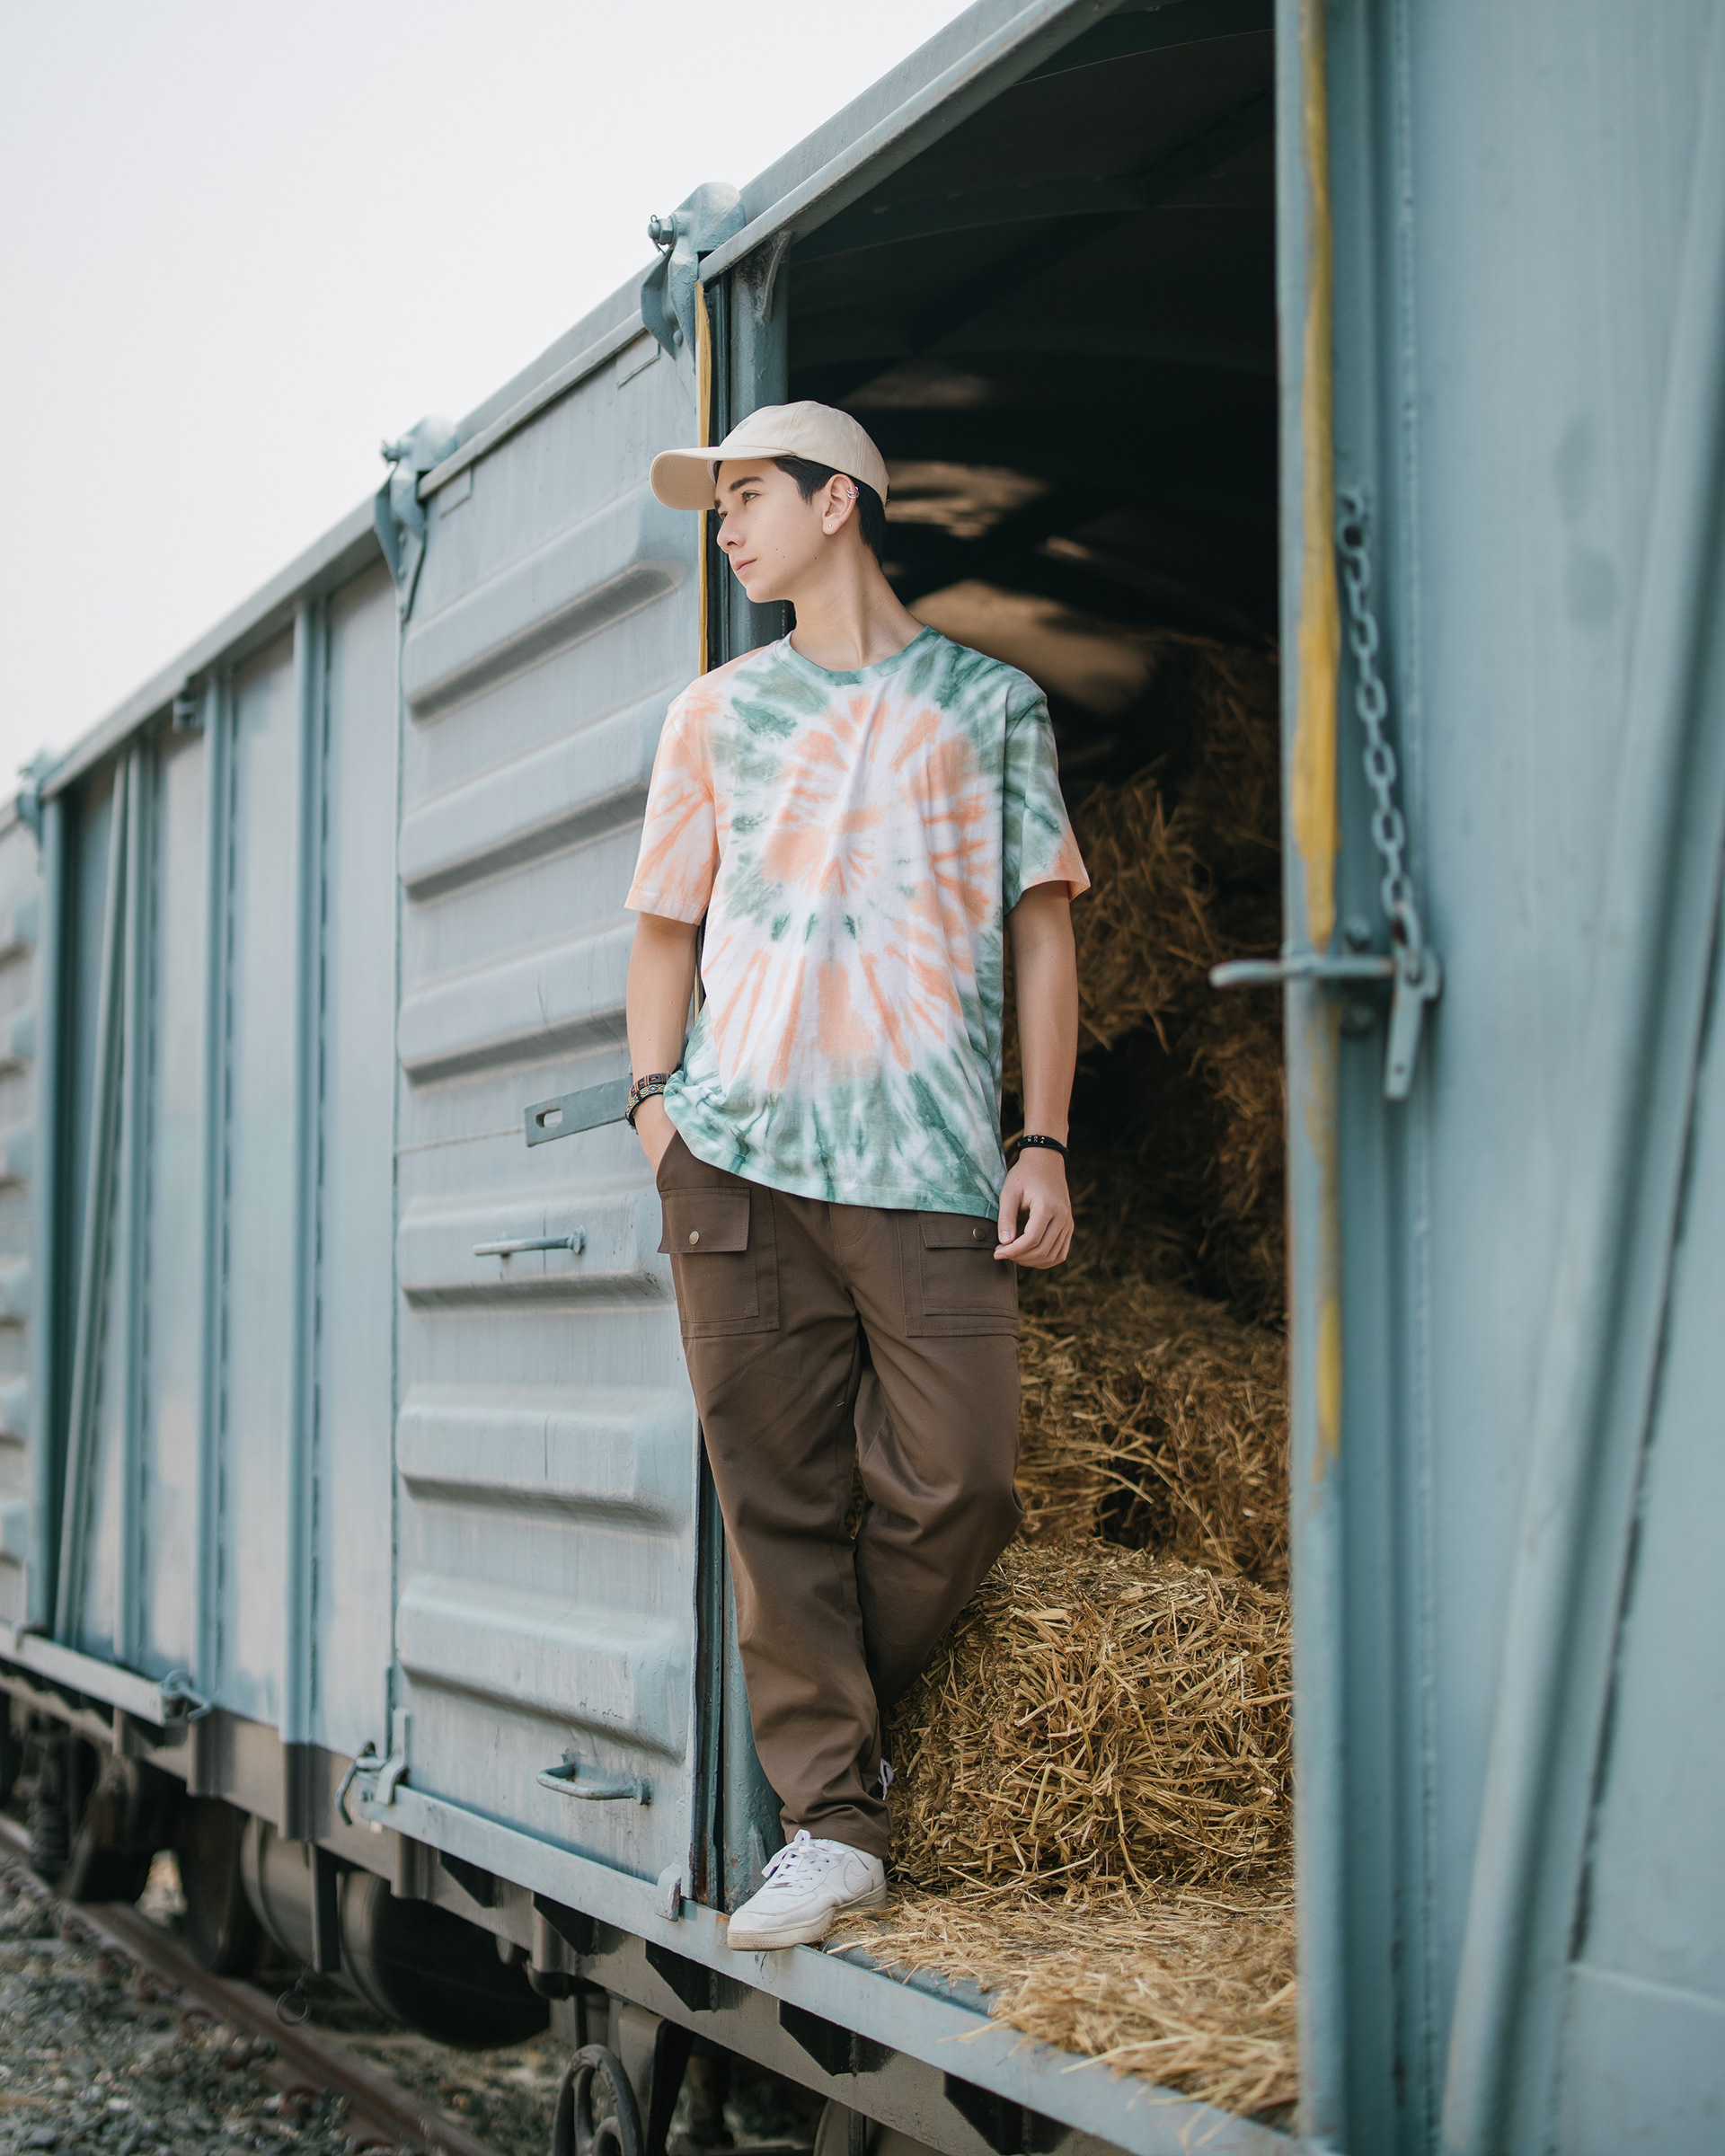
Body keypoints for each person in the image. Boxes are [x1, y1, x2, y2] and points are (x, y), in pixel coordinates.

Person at [624, 402, 1087, 1950]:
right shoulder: (714, 715)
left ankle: (838, 1724)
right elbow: (665, 931)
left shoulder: (989, 707)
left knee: (962, 1480)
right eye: (719, 504)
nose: (726, 528)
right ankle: (833, 1826)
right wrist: (657, 1112)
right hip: (736, 1159)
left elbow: (1043, 928)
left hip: (931, 1161)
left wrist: (1042, 1138)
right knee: (776, 1503)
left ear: (839, 503)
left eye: (749, 495)